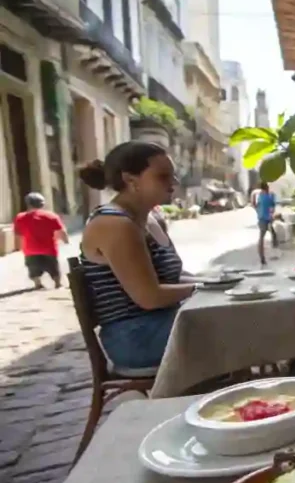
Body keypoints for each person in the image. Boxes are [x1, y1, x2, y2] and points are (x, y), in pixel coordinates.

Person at [78, 141, 198, 372]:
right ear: (131, 180)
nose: (173, 184)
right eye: (163, 177)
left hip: (164, 322)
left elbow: (174, 278)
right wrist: (201, 288)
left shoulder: (151, 218)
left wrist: (219, 283)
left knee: (237, 317)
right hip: (136, 336)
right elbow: (149, 297)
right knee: (235, 326)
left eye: (173, 177)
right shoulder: (114, 223)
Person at [13, 192, 69, 290]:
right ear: (42, 204)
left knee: (33, 268)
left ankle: (38, 284)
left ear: (28, 204)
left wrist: (19, 247)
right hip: (49, 248)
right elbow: (61, 231)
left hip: (30, 249)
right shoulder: (51, 216)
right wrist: (66, 241)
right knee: (53, 268)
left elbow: (18, 234)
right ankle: (58, 284)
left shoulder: (20, 217)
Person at [255, 182, 278, 266]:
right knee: (272, 234)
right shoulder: (270, 196)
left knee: (262, 237)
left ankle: (262, 257)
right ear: (267, 188)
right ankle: (273, 249)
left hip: (262, 219)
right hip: (267, 219)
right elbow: (273, 206)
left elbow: (256, 205)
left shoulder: (260, 196)